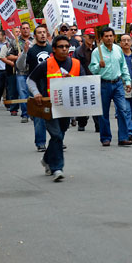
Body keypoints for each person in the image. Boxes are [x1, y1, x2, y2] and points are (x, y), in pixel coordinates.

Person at [27, 34, 85, 182]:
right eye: (61, 47)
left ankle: (46, 159)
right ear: (54, 49)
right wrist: (37, 93)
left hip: (67, 107)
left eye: (67, 46)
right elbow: (30, 80)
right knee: (57, 136)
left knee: (59, 135)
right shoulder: (46, 64)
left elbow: (84, 83)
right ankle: (57, 168)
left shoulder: (76, 64)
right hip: (50, 107)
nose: (64, 49)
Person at [89, 27, 132, 147]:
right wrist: (99, 65)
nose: (109, 38)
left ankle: (123, 137)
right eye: (106, 36)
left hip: (118, 83)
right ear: (102, 38)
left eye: (111, 36)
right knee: (104, 113)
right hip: (104, 84)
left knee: (122, 110)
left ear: (114, 37)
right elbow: (92, 69)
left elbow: (123, 66)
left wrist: (128, 81)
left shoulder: (118, 49)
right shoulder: (96, 52)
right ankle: (105, 138)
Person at [18, 24, 53, 151]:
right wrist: (24, 53)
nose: (42, 34)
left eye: (44, 32)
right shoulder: (31, 50)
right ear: (35, 35)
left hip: (51, 86)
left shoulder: (52, 49)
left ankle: (56, 139)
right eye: (39, 32)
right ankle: (41, 143)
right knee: (39, 117)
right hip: (36, 87)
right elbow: (20, 66)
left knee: (54, 116)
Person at [74, 28, 99, 132]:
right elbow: (77, 65)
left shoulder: (98, 50)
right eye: (90, 37)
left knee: (96, 103)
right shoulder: (78, 51)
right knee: (83, 102)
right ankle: (82, 122)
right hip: (83, 79)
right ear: (84, 37)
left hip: (96, 79)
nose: (91, 39)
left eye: (93, 37)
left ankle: (98, 125)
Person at [14, 22, 34, 122]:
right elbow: (7, 55)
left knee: (33, 94)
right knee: (23, 94)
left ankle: (34, 113)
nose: (25, 30)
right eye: (23, 28)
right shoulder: (15, 42)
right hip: (21, 72)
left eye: (27, 28)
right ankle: (25, 114)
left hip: (33, 71)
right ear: (20, 30)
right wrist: (17, 56)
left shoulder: (34, 41)